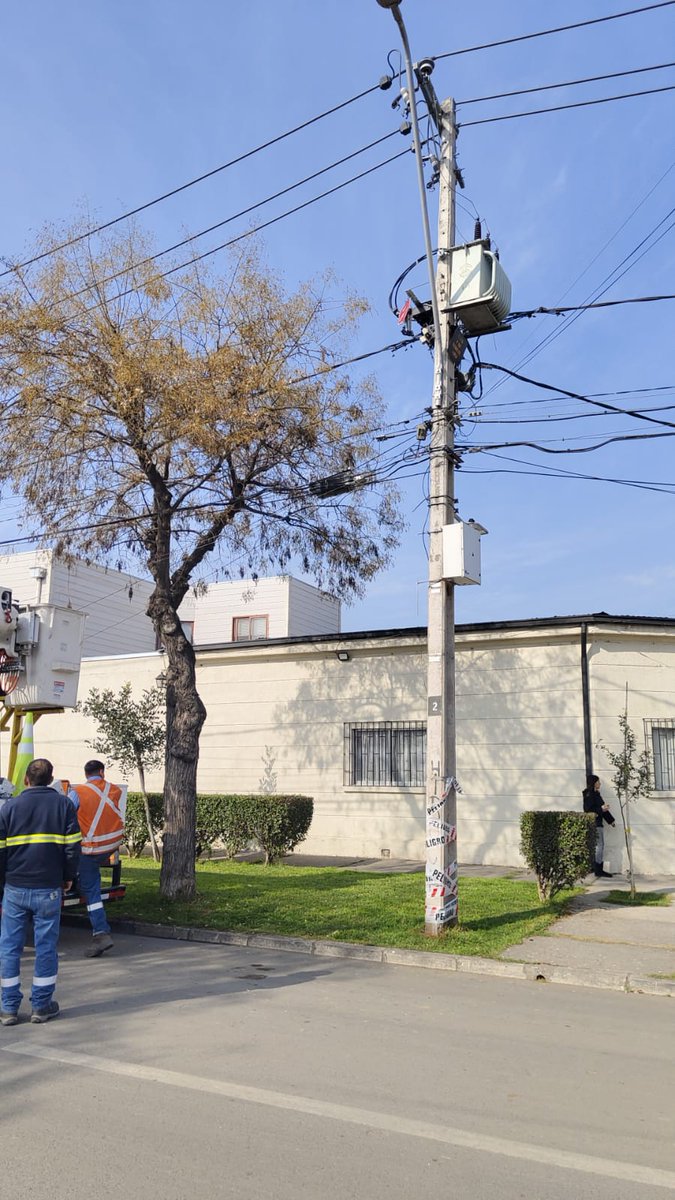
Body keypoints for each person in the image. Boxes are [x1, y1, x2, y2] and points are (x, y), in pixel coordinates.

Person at [0, 757, 82, 1025]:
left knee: (10, 947)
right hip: (48, 886)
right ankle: (41, 1005)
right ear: (51, 780)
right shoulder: (63, 805)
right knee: (45, 947)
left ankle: (8, 1008)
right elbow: (72, 846)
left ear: (26, 779)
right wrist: (69, 876)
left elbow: (1, 851)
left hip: (15, 887)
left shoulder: (10, 807)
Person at [71, 760, 125, 958]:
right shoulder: (115, 790)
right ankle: (78, 880)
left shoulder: (78, 792)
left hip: (90, 849)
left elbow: (66, 815)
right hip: (110, 846)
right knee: (89, 878)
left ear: (85, 774)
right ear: (101, 772)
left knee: (91, 891)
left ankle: (101, 933)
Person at [582, 774, 616, 878]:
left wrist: (611, 821)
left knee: (600, 846)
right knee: (599, 846)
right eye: (598, 782)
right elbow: (588, 809)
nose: (600, 783)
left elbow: (602, 810)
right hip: (594, 823)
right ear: (594, 783)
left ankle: (598, 868)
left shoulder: (596, 794)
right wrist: (601, 809)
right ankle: (598, 870)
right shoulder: (589, 794)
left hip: (599, 823)